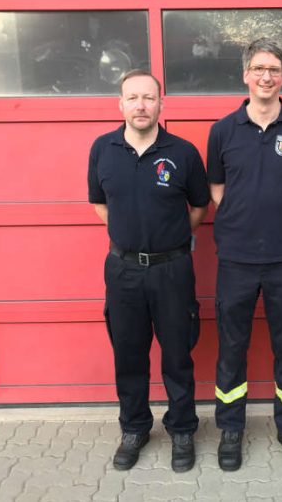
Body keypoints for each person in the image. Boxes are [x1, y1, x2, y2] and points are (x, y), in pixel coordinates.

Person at [206, 38, 282, 471]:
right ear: (245, 75)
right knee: (232, 346)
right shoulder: (223, 129)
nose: (266, 76)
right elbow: (217, 188)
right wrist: (240, 219)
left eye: (274, 69)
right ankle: (231, 429)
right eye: (258, 69)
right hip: (235, 257)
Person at [87, 70, 210, 472]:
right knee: (129, 354)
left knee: (177, 354)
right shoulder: (102, 149)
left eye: (149, 98)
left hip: (172, 270)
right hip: (122, 272)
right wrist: (131, 240)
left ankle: (181, 430)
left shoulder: (184, 152)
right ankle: (135, 428)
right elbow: (100, 204)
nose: (141, 105)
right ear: (120, 104)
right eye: (133, 98)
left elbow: (198, 208)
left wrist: (166, 243)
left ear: (161, 104)